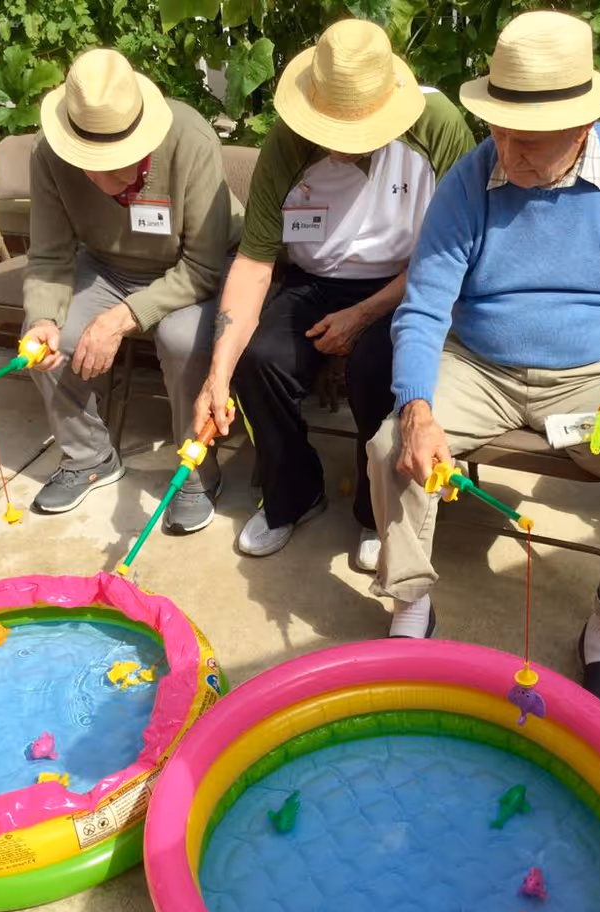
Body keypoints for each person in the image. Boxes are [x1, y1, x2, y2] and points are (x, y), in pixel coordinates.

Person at [366, 10, 600, 723]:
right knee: (390, 444)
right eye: (497, 129)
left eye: (525, 140)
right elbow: (424, 306)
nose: (504, 150)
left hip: (596, 374)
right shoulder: (470, 178)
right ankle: (412, 604)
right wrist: (418, 407)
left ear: (580, 130)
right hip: (479, 363)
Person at [193, 19, 474, 570]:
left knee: (377, 364)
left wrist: (365, 314)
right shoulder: (286, 141)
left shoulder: (438, 126)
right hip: (315, 281)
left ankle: (377, 511)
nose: (338, 145)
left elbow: (454, 248)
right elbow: (254, 263)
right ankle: (293, 493)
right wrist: (217, 371)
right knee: (259, 361)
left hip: (408, 282)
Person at [23, 49, 241, 533]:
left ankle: (196, 470)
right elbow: (50, 258)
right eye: (90, 162)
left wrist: (119, 318)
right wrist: (42, 317)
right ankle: (89, 455)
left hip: (193, 274)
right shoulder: (48, 154)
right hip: (106, 266)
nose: (107, 179)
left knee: (182, 341)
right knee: (42, 342)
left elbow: (204, 268)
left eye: (119, 159)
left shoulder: (191, 138)